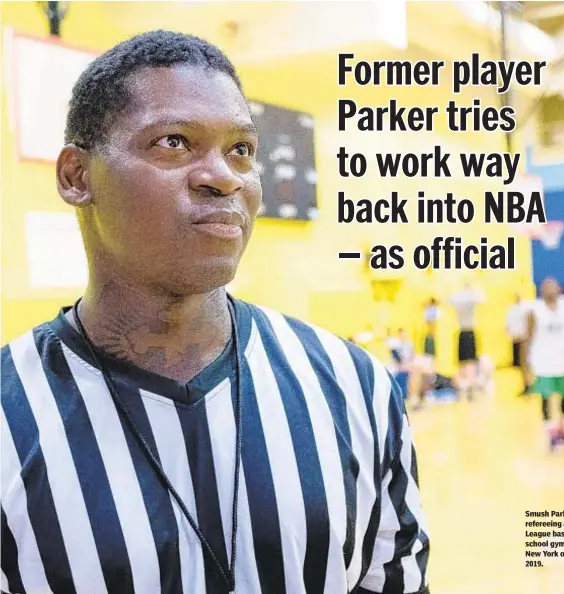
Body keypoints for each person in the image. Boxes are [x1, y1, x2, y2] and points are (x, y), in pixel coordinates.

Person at [1, 31, 429, 593]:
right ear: (77, 177)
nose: (224, 176)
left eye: (241, 150)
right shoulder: (11, 418)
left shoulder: (355, 387)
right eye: (174, 142)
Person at [523, 278, 564, 452]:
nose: (550, 289)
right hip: (543, 362)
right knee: (546, 397)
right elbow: (527, 337)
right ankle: (551, 434)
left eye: (553, 286)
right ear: (542, 290)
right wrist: (525, 364)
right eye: (546, 287)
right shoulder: (535, 310)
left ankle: (563, 429)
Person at [449, 284, 485, 399]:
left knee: (470, 362)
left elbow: (482, 298)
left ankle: (470, 387)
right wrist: (468, 291)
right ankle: (465, 387)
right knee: (464, 362)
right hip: (465, 332)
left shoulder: (468, 299)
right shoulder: (464, 299)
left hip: (467, 332)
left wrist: (469, 291)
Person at [506, 293, 531, 396]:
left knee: (527, 363)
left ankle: (531, 383)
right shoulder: (512, 309)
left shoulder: (527, 307)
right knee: (521, 364)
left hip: (525, 338)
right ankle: (526, 384)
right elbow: (508, 324)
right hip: (517, 338)